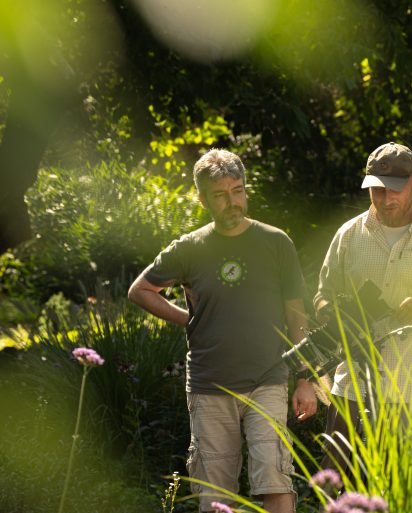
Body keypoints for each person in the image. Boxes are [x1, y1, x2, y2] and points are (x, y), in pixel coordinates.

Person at [127, 149, 317, 513]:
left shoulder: (275, 242)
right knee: (216, 497)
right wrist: (188, 318)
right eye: (220, 195)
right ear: (202, 199)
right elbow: (141, 290)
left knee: (274, 480)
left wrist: (305, 378)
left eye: (238, 191)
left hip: (267, 380)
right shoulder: (190, 248)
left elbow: (297, 314)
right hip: (209, 385)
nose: (232, 202)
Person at [314, 141, 412, 473]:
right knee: (337, 483)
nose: (386, 199)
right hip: (353, 386)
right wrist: (337, 314)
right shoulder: (349, 235)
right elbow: (323, 296)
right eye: (377, 189)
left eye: (395, 189)